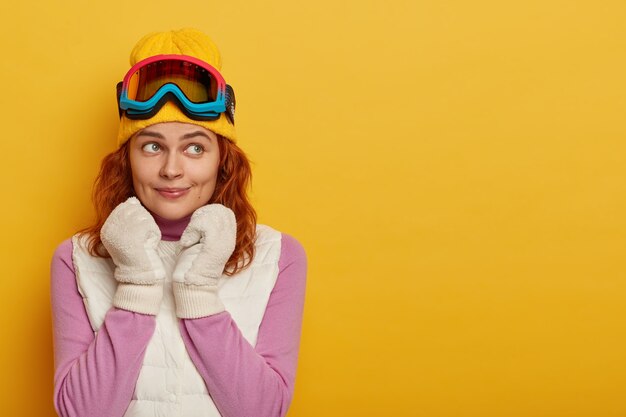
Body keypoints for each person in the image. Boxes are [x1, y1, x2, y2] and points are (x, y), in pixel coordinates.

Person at [50, 28, 307, 417]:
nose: (172, 169)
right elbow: (82, 413)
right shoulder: (75, 259)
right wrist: (136, 282)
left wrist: (198, 291)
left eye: (195, 147)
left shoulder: (279, 256)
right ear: (127, 159)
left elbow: (262, 411)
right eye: (152, 146)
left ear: (223, 158)